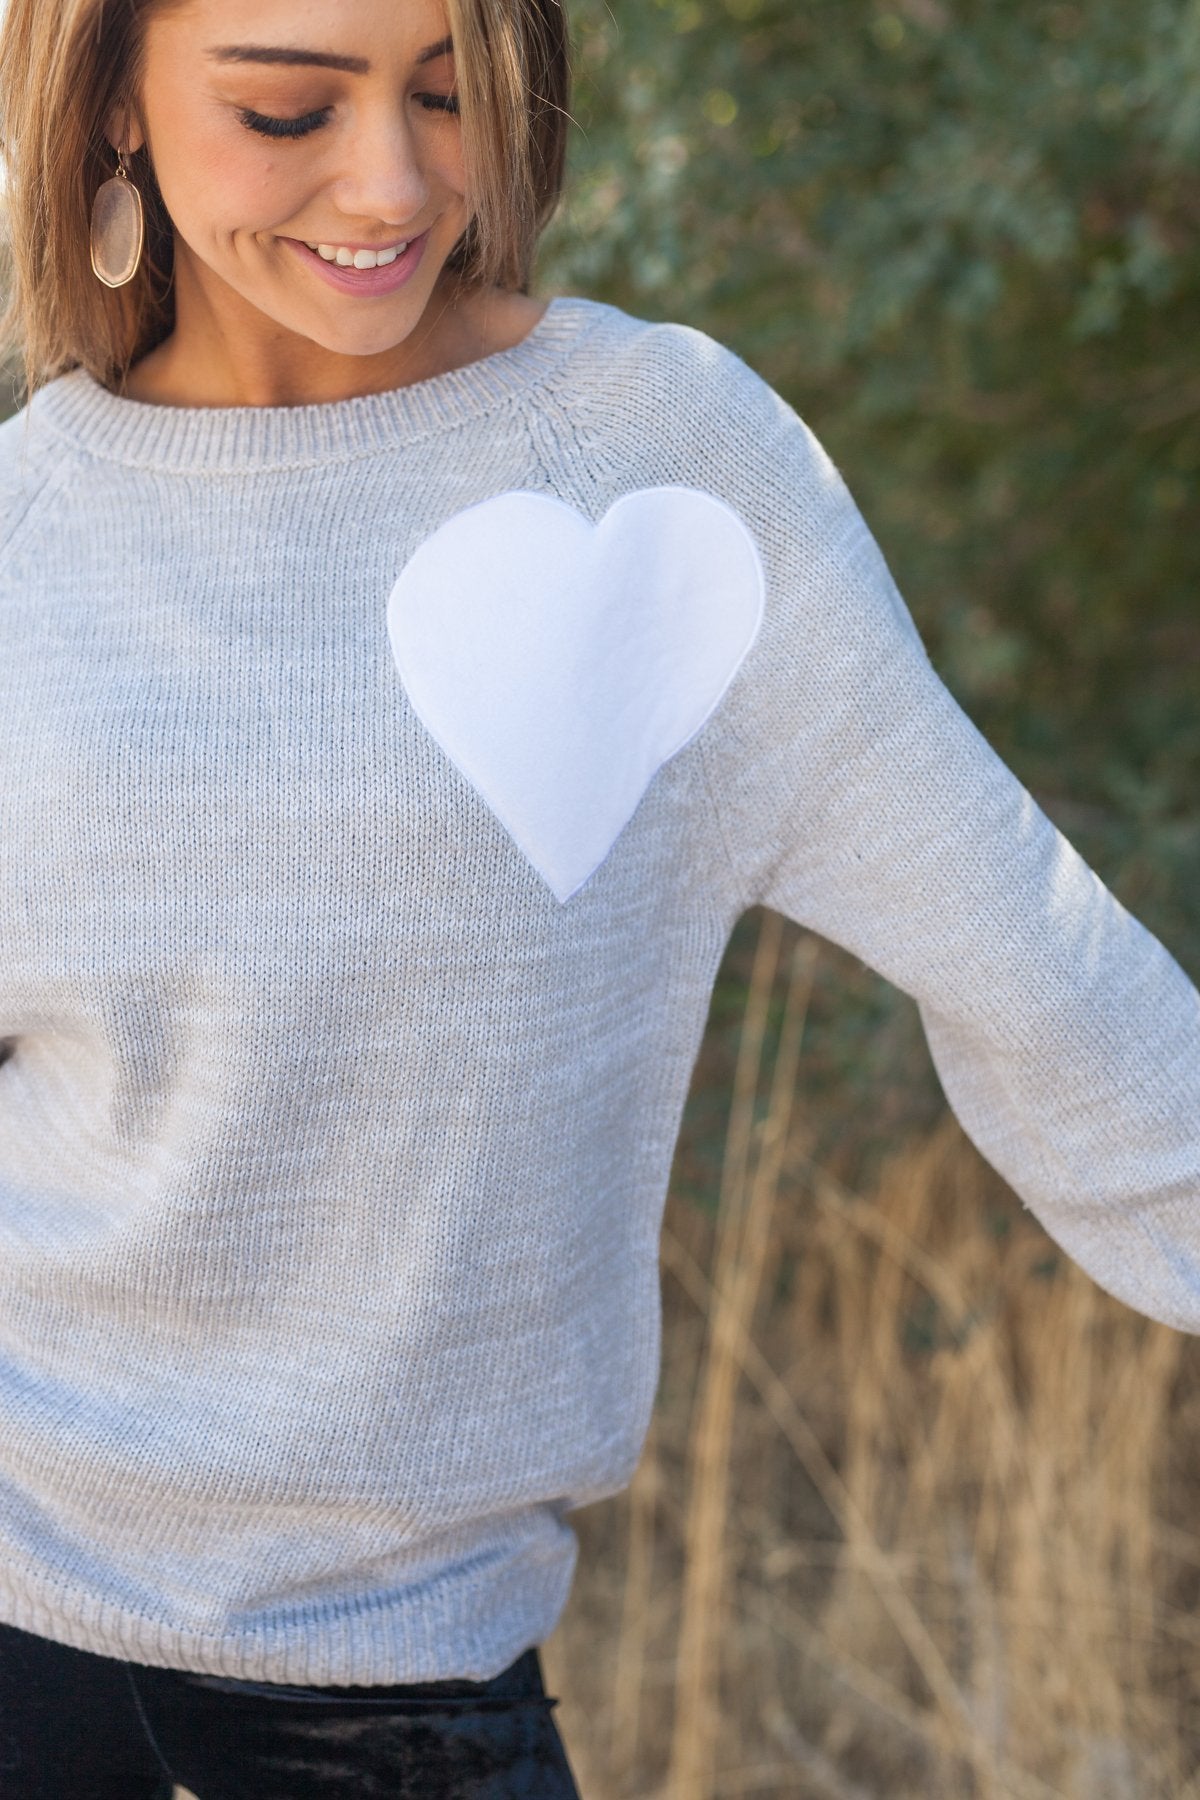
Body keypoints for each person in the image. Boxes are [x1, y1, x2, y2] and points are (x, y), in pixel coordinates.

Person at [0, 0, 1195, 1794]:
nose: (391, 180)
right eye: (288, 107)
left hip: (410, 1705)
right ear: (108, 107)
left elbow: (1039, 964)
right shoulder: (27, 541)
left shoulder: (662, 469)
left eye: (444, 92)